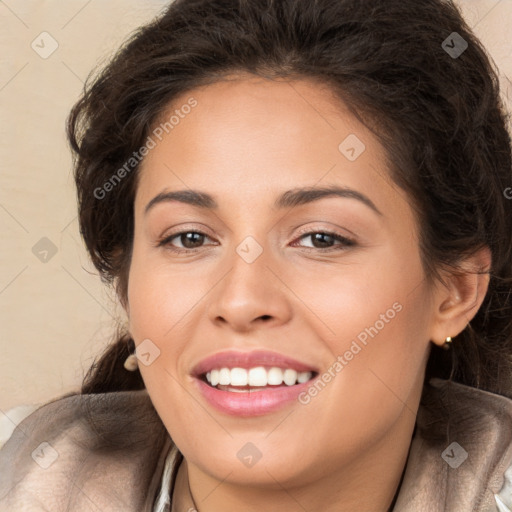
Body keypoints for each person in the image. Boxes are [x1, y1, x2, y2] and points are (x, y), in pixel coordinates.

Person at [1, 0, 512, 510]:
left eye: (321, 238)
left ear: (456, 289)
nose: (242, 301)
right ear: (126, 283)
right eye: (189, 238)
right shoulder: (24, 476)